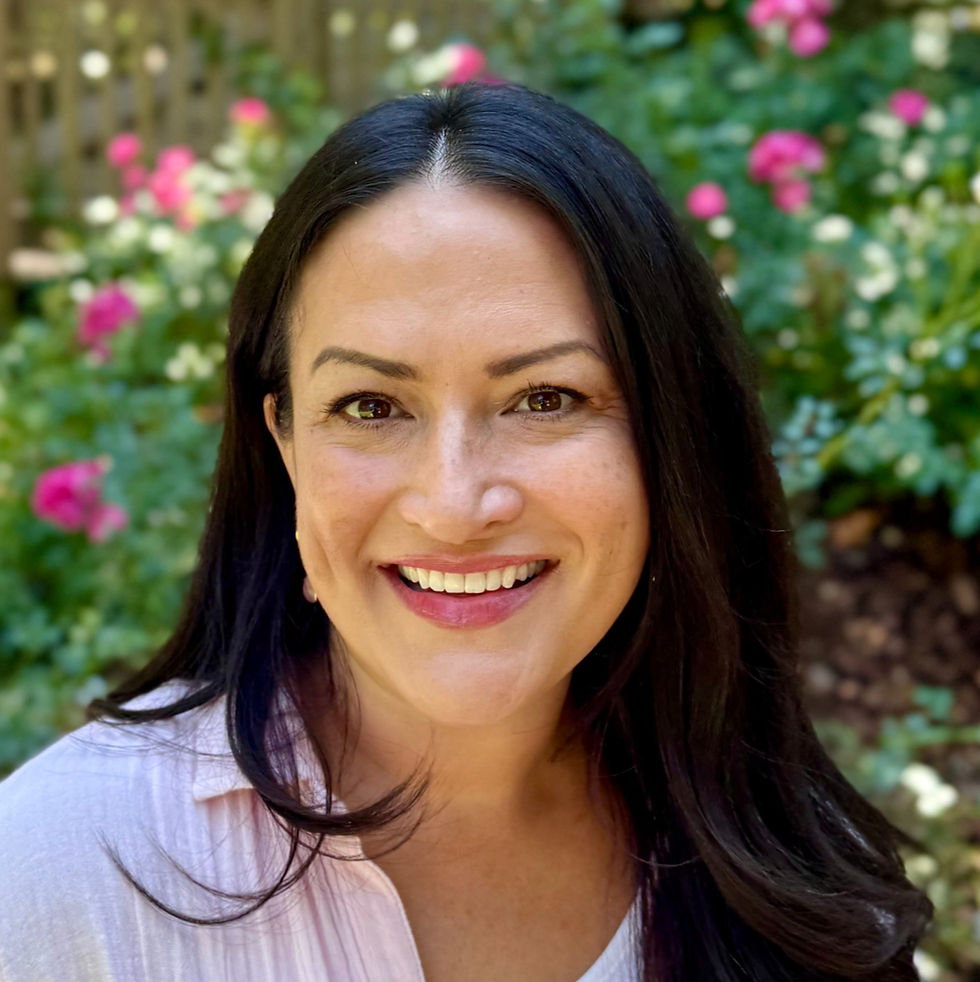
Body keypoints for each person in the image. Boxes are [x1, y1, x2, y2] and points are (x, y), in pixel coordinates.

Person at [0, 83, 932, 982]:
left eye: (544, 398)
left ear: (670, 439)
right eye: (370, 405)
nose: (452, 505)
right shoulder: (59, 871)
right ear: (283, 443)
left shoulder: (793, 882)